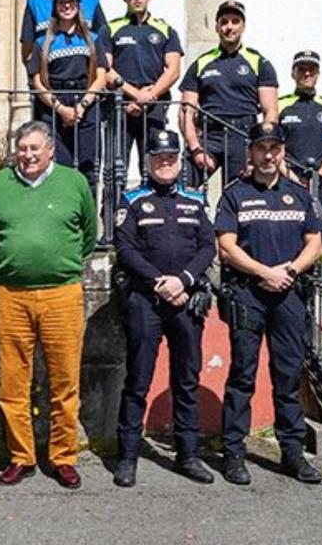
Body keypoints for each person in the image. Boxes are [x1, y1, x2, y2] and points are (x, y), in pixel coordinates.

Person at [0, 120, 96, 489]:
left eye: (35, 148)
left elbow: (89, 235)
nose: (28, 155)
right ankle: (21, 456)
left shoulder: (74, 182)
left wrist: (59, 262)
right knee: (13, 383)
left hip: (61, 293)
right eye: (22, 148)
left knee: (64, 381)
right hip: (11, 294)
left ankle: (63, 457)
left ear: (50, 150)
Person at [216, 122, 322, 486]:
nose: (268, 155)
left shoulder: (299, 194)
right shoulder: (235, 195)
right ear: (251, 151)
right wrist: (265, 271)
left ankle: (292, 453)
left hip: (289, 294)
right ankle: (233, 453)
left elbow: (315, 242)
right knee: (242, 376)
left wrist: (289, 270)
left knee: (288, 375)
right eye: (261, 148)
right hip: (248, 294)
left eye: (274, 148)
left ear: (282, 151)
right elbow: (226, 246)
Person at [111, 130, 215, 488]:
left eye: (171, 157)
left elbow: (207, 247)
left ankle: (187, 454)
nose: (165, 162)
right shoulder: (133, 200)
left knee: (186, 381)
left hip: (186, 300)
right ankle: (127, 456)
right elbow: (125, 249)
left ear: (179, 160)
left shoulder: (195, 199)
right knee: (137, 380)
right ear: (148, 161)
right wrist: (161, 282)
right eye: (158, 157)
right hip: (146, 300)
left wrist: (183, 280)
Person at [179, 0, 278, 186]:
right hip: (209, 136)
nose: (229, 27)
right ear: (216, 27)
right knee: (182, 184)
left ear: (243, 26)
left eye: (235, 21)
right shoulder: (201, 63)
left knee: (240, 195)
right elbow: (186, 111)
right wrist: (195, 149)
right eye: (224, 22)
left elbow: (270, 112)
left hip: (243, 136)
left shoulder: (259, 62)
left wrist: (258, 150)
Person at [99, 0, 183, 177]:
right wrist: (136, 95)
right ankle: (112, 209)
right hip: (120, 105)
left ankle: (152, 208)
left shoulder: (165, 29)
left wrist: (149, 96)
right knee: (115, 171)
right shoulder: (110, 28)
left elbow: (173, 70)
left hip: (154, 107)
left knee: (153, 166)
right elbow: (105, 70)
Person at [29, 0, 108, 191]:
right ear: (55, 8)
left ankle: (88, 218)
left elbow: (101, 76)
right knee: (57, 168)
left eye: (71, 2)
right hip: (54, 105)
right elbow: (37, 81)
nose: (67, 6)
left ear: (77, 6)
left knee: (88, 167)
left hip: (86, 102)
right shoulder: (42, 42)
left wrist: (83, 104)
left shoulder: (93, 39)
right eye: (62, 2)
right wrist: (61, 109)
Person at [278, 50, 322, 212]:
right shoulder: (281, 105)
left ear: (318, 73)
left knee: (317, 232)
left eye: (312, 69)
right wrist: (293, 180)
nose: (307, 73)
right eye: (301, 69)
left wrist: (319, 176)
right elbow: (275, 148)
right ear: (293, 73)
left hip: (319, 181)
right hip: (288, 179)